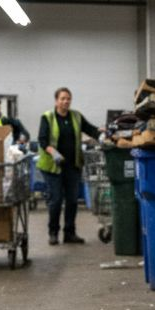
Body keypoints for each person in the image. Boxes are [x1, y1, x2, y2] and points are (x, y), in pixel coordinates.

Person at [36, 87, 100, 244]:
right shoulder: (47, 117)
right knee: (56, 199)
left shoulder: (76, 116)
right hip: (53, 166)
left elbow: (90, 129)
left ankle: (69, 233)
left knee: (72, 200)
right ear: (56, 100)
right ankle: (53, 232)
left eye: (68, 98)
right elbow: (43, 140)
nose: (66, 101)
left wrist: (104, 133)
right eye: (63, 98)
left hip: (72, 165)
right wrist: (54, 153)